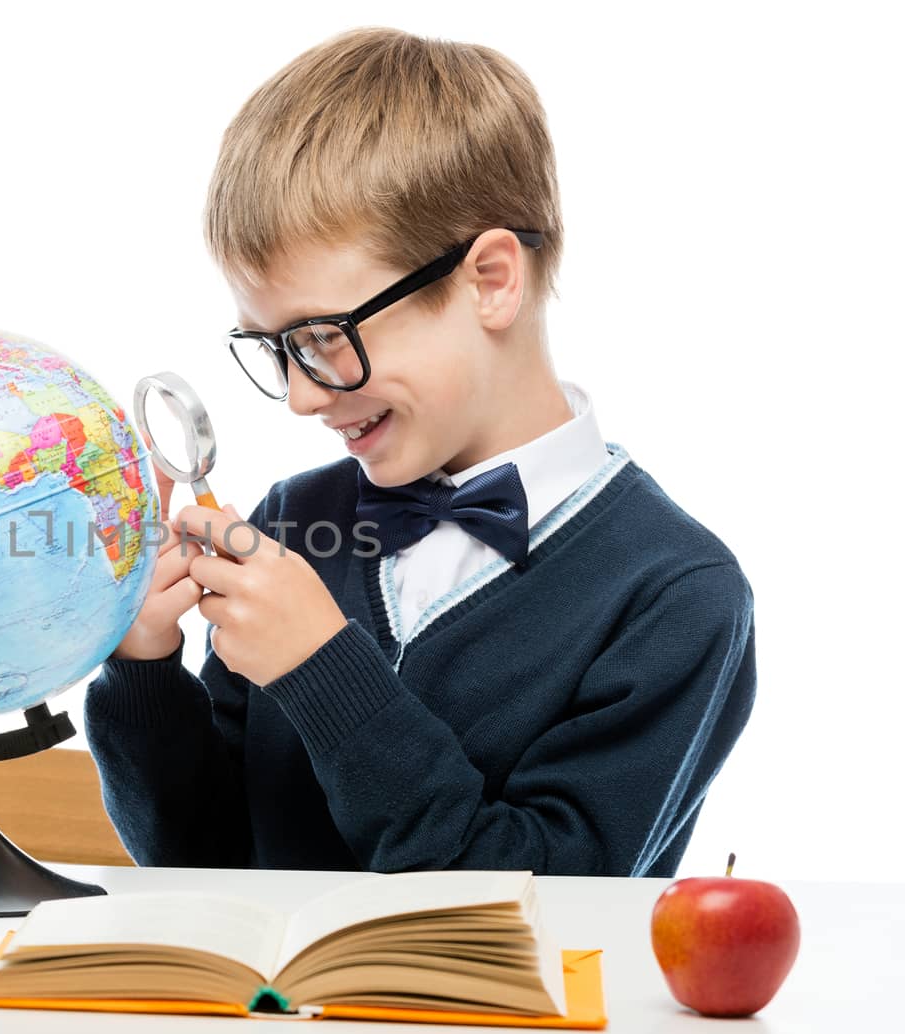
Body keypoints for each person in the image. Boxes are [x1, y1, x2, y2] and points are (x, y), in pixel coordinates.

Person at [83, 27, 756, 877]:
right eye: (273, 348)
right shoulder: (298, 517)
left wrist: (324, 672)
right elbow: (202, 858)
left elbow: (538, 901)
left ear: (490, 281)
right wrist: (143, 670)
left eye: (326, 337)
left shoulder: (674, 595)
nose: (301, 396)